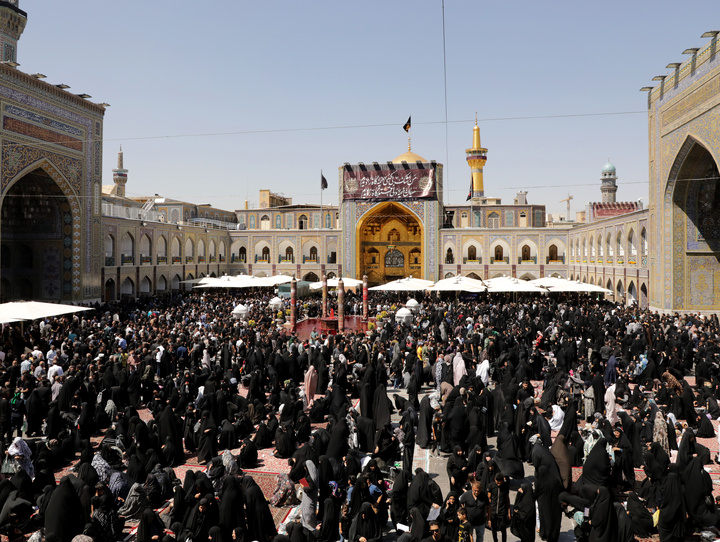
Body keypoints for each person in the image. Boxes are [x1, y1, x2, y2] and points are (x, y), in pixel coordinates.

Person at [487, 472, 510, 542]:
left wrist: (509, 512)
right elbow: (489, 498)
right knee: (493, 528)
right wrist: (488, 513)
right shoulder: (491, 486)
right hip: (493, 511)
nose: (498, 482)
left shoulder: (505, 487)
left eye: (500, 481)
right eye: (497, 481)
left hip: (502, 511)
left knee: (503, 528)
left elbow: (507, 499)